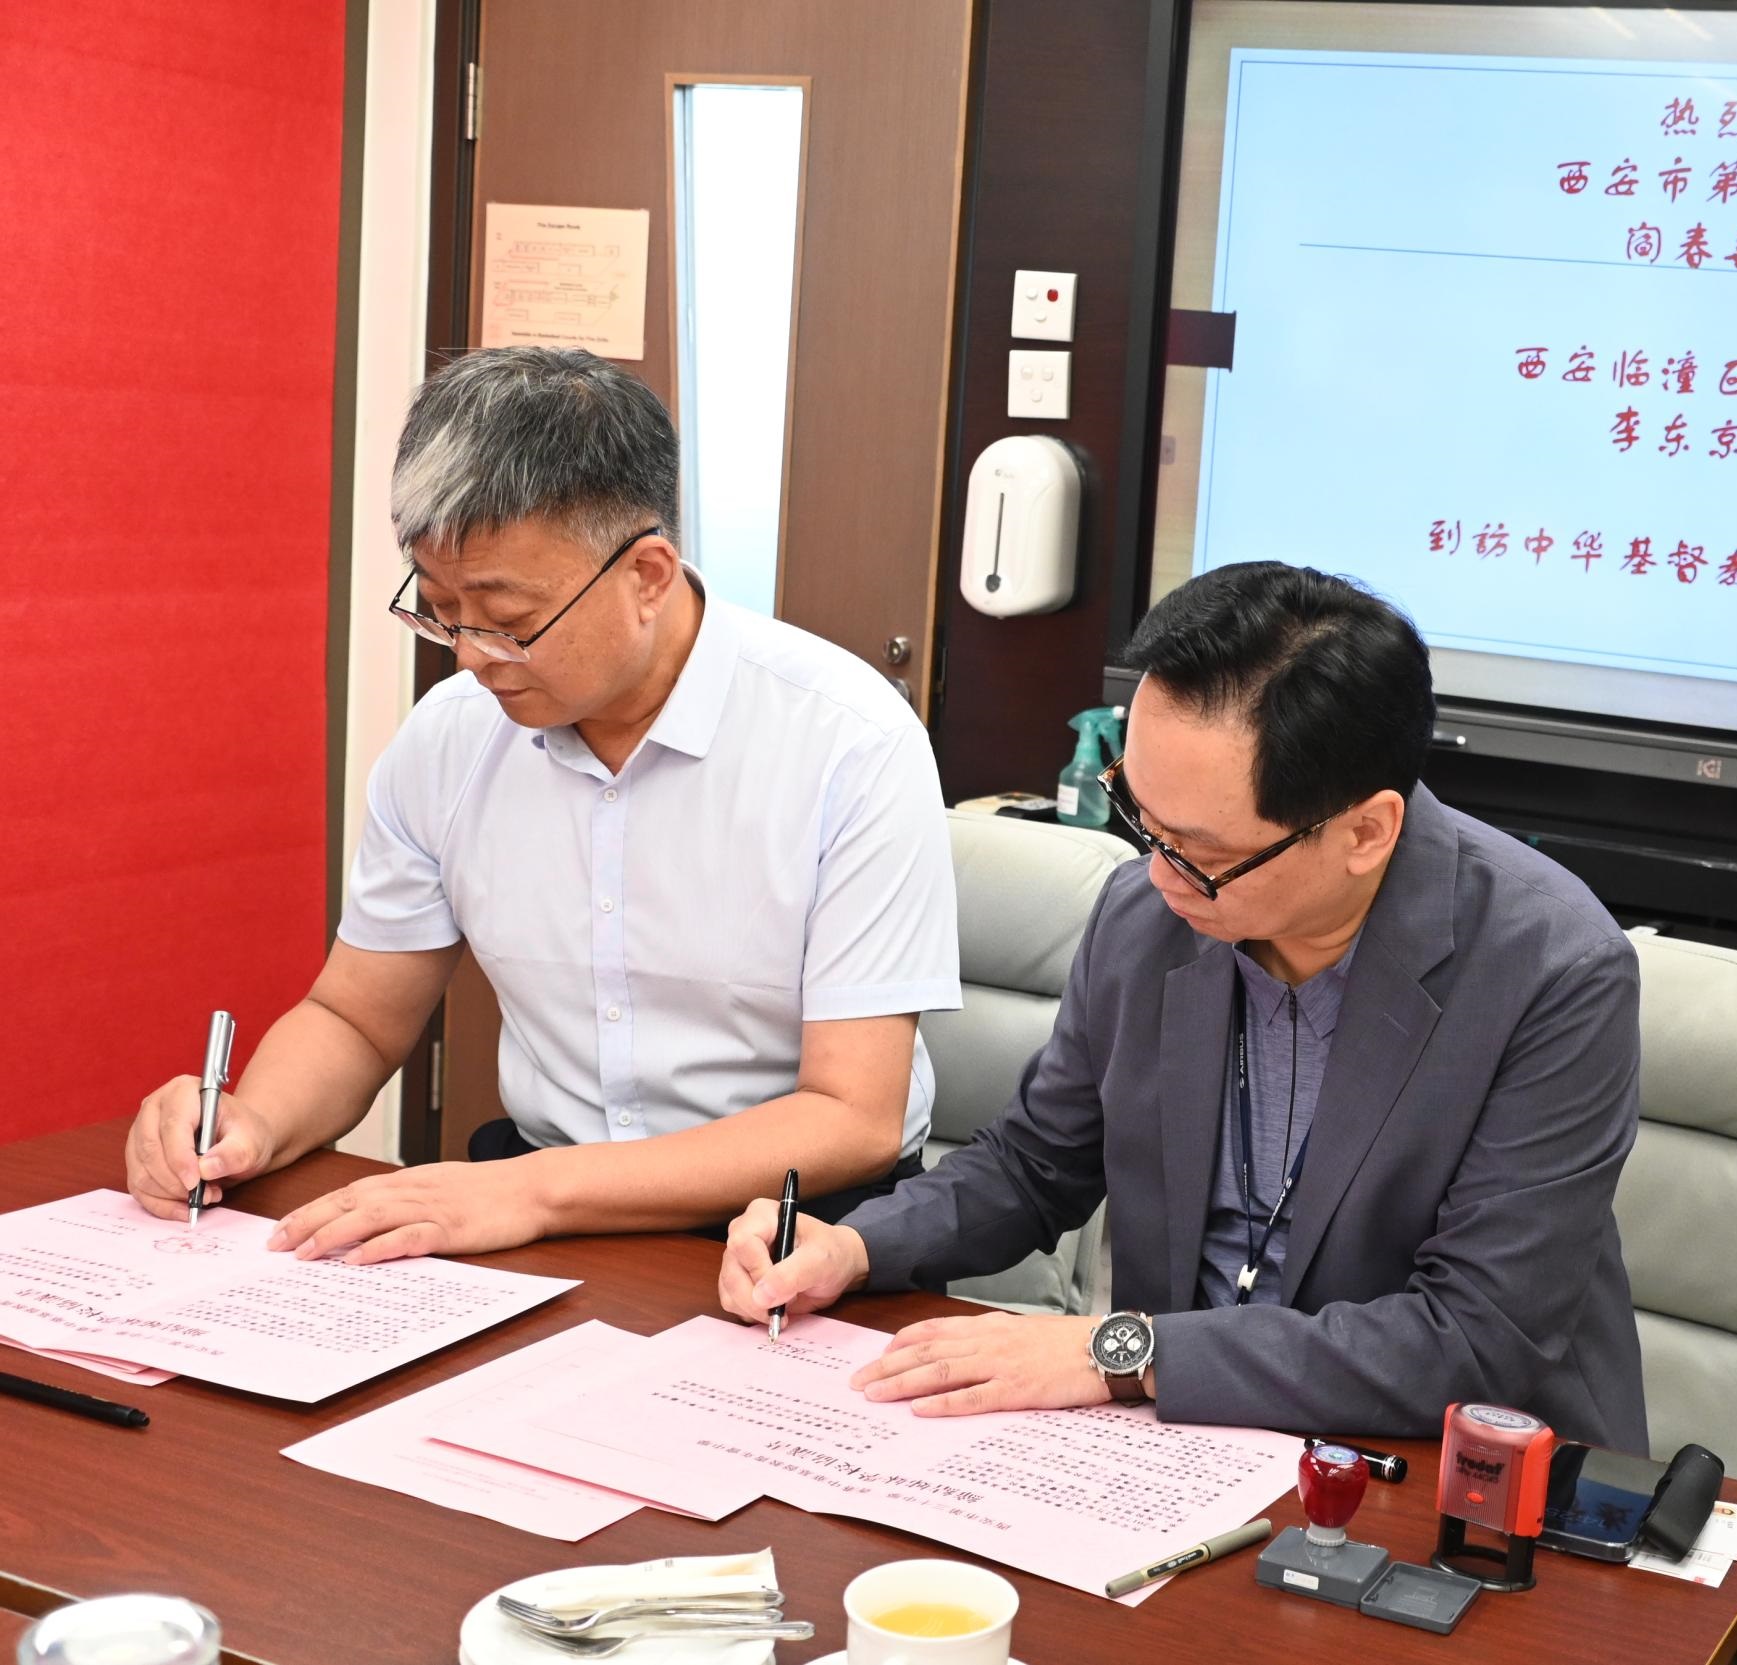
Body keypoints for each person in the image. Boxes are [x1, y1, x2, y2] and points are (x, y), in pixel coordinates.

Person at [717, 562, 1645, 1446]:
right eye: (1139, 817)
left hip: (1444, 1469)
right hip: (1181, 1439)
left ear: (1366, 831)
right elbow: (1036, 1164)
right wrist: (852, 1246)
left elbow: (1474, 1335)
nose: (1157, 874)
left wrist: (1119, 1352)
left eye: (1200, 851)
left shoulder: (1552, 970)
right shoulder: (1147, 914)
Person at [121, 347, 959, 1262]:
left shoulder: (849, 742)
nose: (470, 655)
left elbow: (854, 1115)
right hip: (536, 1206)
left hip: (800, 1230)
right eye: (441, 609)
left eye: (510, 621)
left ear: (648, 574)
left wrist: (531, 1191)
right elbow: (355, 1018)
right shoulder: (448, 739)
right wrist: (253, 1124)